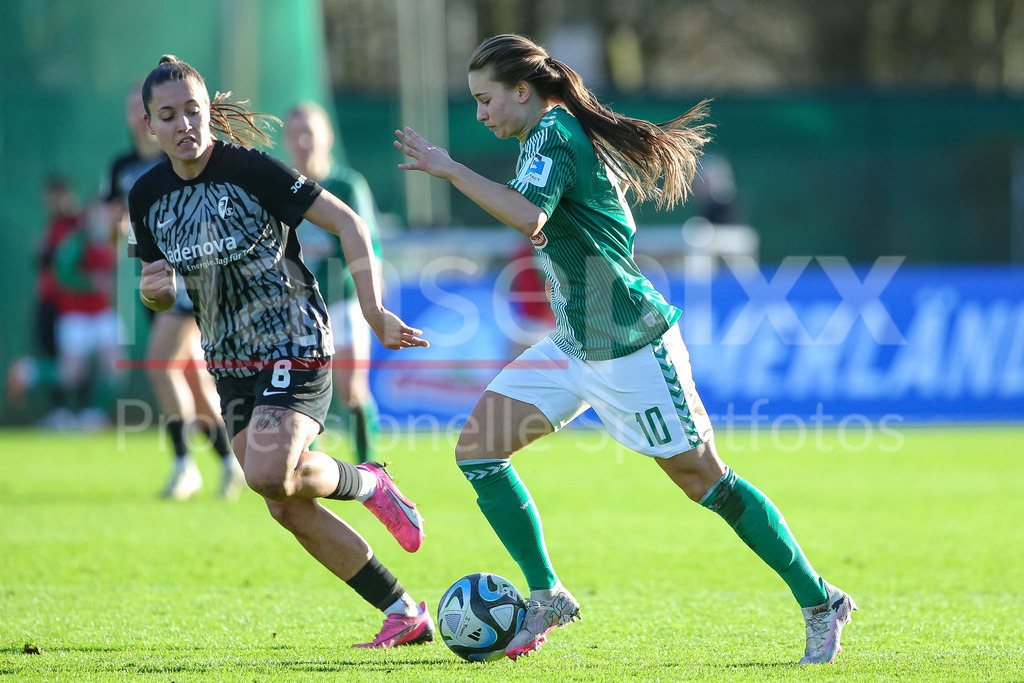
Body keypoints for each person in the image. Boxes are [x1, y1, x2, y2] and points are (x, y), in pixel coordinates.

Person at [394, 34, 856, 664]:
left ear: (523, 91)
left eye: (485, 99)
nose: (480, 113)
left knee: (705, 482)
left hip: (633, 347)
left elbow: (530, 218)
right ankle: (546, 593)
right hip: (575, 344)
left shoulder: (554, 132)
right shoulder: (551, 135)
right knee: (479, 449)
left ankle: (820, 599)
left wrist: (450, 168)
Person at [128, 55, 434, 648]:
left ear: (208, 111)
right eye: (169, 115)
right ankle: (402, 611)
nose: (185, 124)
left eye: (193, 110)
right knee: (281, 499)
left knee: (269, 472)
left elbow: (348, 224)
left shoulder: (250, 169)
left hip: (295, 336)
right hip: (230, 359)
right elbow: (160, 290)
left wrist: (372, 312)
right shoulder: (146, 197)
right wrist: (154, 294)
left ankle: (367, 483)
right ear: (150, 126)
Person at [105, 81, 243, 500]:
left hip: (192, 281)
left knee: (161, 365)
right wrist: (125, 234)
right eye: (131, 107)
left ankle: (185, 466)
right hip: (152, 282)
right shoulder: (121, 168)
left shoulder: (184, 161)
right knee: (194, 380)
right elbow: (113, 230)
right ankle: (228, 461)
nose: (135, 114)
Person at [283, 102, 383, 465]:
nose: (303, 141)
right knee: (306, 394)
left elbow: (370, 246)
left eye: (310, 131)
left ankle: (370, 468)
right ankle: (311, 468)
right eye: (295, 133)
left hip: (342, 301)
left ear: (327, 136)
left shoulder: (346, 185)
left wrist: (375, 296)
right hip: (298, 307)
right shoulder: (282, 187)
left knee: (352, 392)